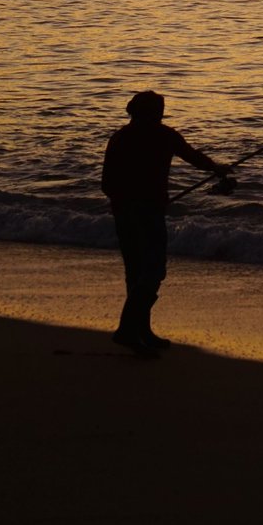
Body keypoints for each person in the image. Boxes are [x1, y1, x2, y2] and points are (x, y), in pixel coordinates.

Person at [102, 90, 232, 357]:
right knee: (153, 271)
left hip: (124, 212)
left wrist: (126, 201)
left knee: (136, 273)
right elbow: (193, 157)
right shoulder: (164, 135)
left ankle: (141, 331)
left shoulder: (120, 137)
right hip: (147, 212)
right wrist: (217, 169)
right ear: (153, 112)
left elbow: (106, 183)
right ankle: (128, 329)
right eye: (159, 109)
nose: (161, 113)